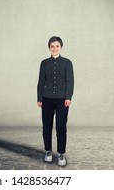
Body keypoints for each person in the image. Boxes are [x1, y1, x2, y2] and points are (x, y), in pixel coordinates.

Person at [37, 36, 74, 166]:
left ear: (61, 47)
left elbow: (70, 81)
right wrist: (39, 98)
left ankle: (61, 153)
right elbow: (41, 82)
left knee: (61, 127)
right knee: (46, 127)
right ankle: (48, 151)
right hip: (46, 99)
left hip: (62, 100)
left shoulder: (67, 63)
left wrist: (68, 97)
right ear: (49, 48)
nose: (55, 48)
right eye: (52, 46)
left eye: (57, 46)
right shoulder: (44, 63)